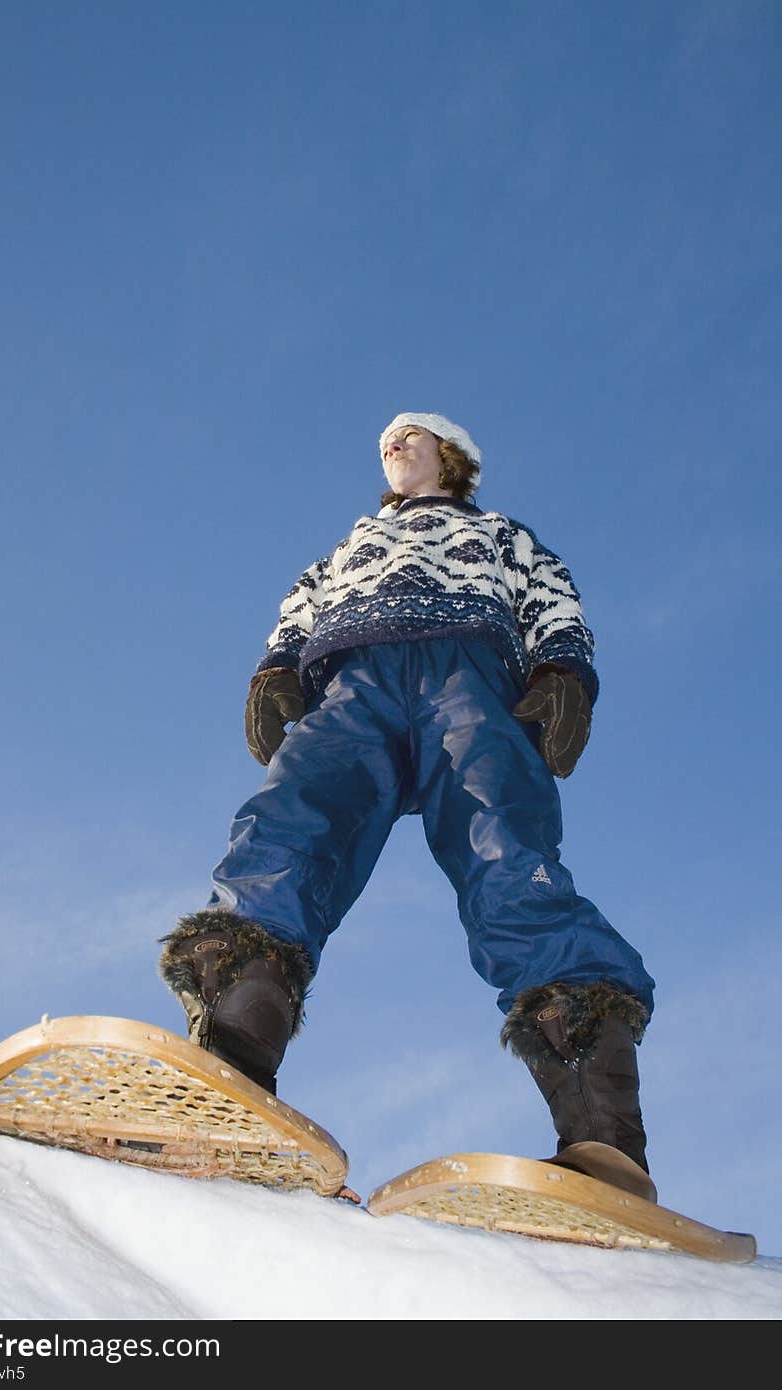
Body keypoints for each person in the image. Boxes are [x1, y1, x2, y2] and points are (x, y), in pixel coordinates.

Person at [159, 412, 657, 1201]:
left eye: (411, 436)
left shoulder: (498, 532)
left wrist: (563, 671)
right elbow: (304, 600)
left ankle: (603, 1139)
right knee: (291, 819)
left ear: (450, 457)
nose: (392, 445)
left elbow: (551, 597)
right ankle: (232, 1058)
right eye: (385, 440)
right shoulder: (353, 543)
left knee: (506, 856)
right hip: (355, 681)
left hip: (471, 674)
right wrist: (276, 666)